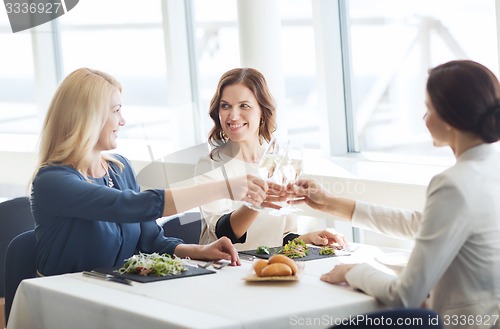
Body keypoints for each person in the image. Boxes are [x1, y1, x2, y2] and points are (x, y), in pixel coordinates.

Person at [291, 60, 500, 325]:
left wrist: (354, 271)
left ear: (449, 117)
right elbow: (420, 224)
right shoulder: (489, 170)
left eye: (428, 108)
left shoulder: (454, 183)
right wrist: (331, 203)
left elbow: (405, 296)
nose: (424, 118)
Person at [30, 68, 269, 276]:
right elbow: (130, 206)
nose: (122, 121)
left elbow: (151, 240)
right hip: (68, 300)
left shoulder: (118, 169)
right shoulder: (51, 181)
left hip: (115, 292)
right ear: (88, 118)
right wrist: (222, 187)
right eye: (115, 111)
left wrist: (201, 251)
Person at [195, 67, 347, 250]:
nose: (233, 115)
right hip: (222, 268)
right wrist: (256, 203)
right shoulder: (210, 165)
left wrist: (310, 237)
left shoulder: (280, 163)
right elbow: (222, 233)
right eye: (225, 105)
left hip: (265, 268)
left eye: (244, 105)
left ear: (262, 112)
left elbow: (281, 236)